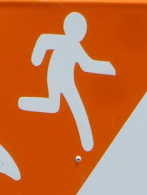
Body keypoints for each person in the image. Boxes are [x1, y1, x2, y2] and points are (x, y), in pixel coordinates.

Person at [18, 12, 115, 152]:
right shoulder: (68, 43)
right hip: (61, 80)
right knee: (75, 107)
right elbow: (44, 40)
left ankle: (24, 102)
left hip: (60, 79)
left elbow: (86, 64)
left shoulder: (69, 44)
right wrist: (36, 59)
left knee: (54, 105)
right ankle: (88, 144)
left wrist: (107, 68)